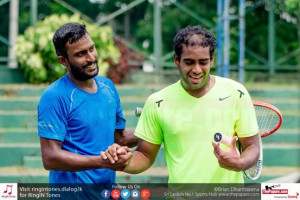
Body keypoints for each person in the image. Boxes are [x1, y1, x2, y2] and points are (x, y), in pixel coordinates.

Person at [101, 26, 260, 183]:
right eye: (189, 62)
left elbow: (252, 146)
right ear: (177, 60)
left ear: (212, 60)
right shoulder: (157, 102)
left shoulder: (236, 92)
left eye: (203, 62)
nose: (196, 69)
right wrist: (125, 162)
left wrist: (240, 163)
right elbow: (145, 155)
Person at [37, 22, 137, 184]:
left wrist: (158, 127)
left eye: (91, 49)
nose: (91, 58)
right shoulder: (54, 96)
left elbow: (120, 138)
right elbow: (50, 158)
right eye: (80, 54)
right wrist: (102, 161)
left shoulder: (108, 87)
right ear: (63, 61)